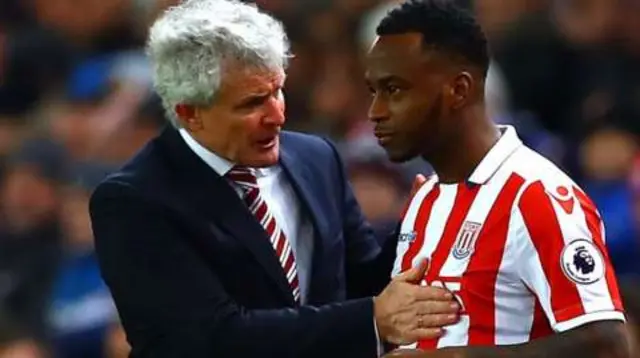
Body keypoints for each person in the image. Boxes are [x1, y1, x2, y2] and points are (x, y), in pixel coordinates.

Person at [88, 0, 460, 357]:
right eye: (252, 103)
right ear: (189, 113)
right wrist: (371, 318)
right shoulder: (134, 201)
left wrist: (415, 226)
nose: (277, 115)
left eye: (277, 90)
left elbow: (359, 282)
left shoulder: (317, 159)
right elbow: (207, 339)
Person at [362, 1, 630, 357]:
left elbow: (608, 346)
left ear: (458, 90)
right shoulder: (425, 199)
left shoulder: (536, 195)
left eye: (394, 90)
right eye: (373, 91)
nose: (375, 112)